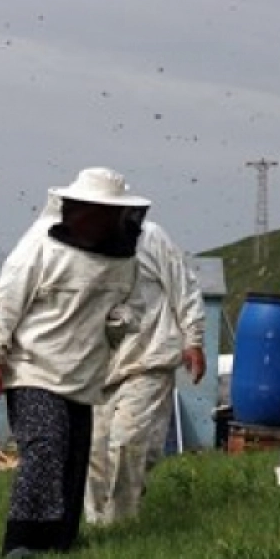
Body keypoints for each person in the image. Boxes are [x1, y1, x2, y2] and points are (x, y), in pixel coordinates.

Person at [0, 167, 148, 559]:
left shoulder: (125, 262)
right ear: (75, 208)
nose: (98, 218)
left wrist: (121, 320)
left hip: (83, 375)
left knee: (73, 460)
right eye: (92, 209)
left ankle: (59, 546)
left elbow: (135, 306)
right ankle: (21, 543)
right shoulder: (40, 249)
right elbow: (5, 302)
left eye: (107, 212)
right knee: (45, 447)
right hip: (32, 366)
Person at [83, 208, 206, 526]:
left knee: (127, 442)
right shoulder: (81, 247)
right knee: (94, 448)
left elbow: (184, 287)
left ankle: (121, 523)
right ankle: (97, 525)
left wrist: (193, 339)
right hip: (102, 367)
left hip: (151, 356)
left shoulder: (152, 238)